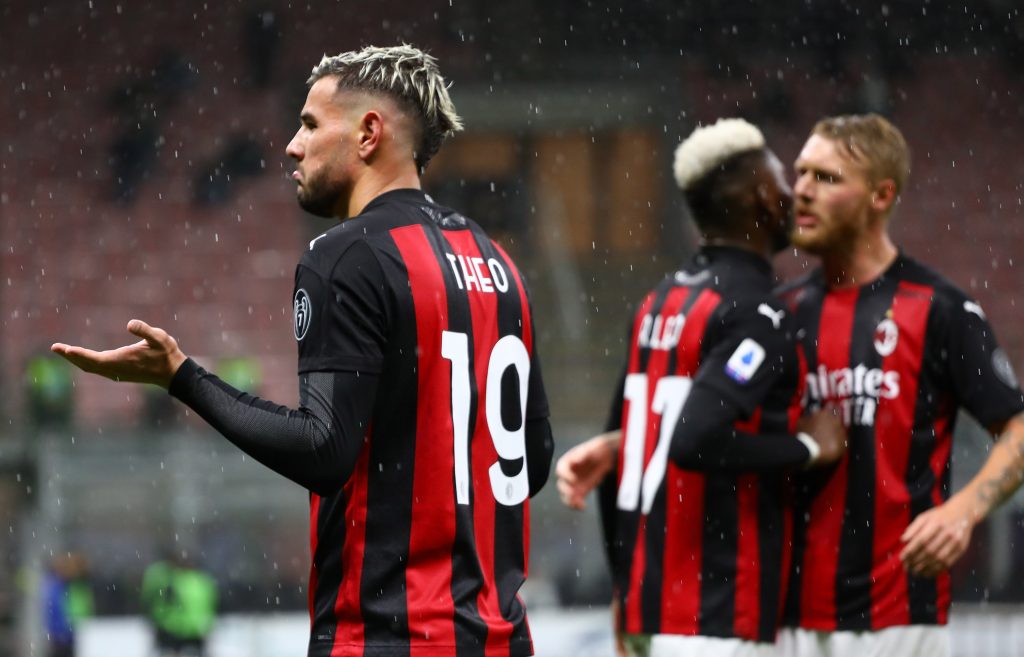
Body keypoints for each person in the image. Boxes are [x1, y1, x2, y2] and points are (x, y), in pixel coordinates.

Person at [51, 44, 554, 657]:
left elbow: (323, 449)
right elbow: (533, 459)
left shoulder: (347, 255)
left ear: (369, 133)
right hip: (502, 639)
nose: (293, 146)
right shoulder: (497, 264)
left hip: (387, 637)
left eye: (311, 125)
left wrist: (182, 377)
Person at [556, 118, 846, 657]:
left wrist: (625, 587)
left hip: (650, 609)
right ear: (763, 198)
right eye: (782, 184)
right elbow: (693, 439)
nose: (792, 196)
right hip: (717, 614)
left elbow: (622, 459)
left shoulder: (659, 303)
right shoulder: (756, 313)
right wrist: (807, 447)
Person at [776, 113, 1024, 657]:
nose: (802, 191)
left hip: (896, 618)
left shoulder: (939, 309)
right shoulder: (782, 314)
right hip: (783, 617)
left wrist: (963, 510)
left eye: (827, 177)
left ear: (881, 195)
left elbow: (1018, 428)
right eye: (801, 173)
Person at [140, 553, 218, 657]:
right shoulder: (203, 581)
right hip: (196, 628)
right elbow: (211, 604)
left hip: (172, 628)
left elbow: (154, 599)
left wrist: (157, 619)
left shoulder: (170, 580)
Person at [41, 552, 94, 657]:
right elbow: (55, 611)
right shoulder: (59, 586)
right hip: (63, 636)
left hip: (69, 634)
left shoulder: (68, 585)